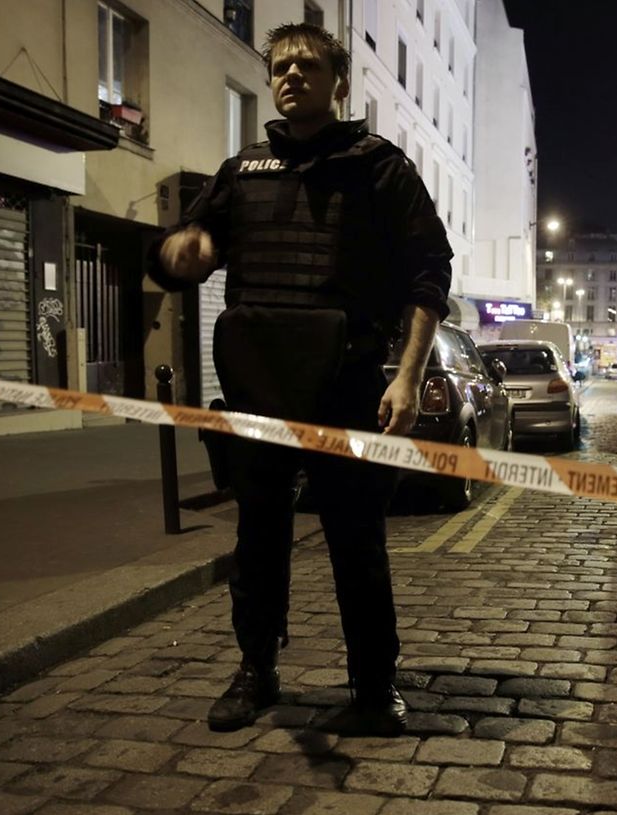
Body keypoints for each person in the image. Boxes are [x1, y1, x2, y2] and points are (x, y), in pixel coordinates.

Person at [147, 22, 451, 736]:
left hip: (345, 384)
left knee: (356, 541)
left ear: (338, 83)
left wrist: (407, 378)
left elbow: (428, 274)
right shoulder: (240, 172)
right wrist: (178, 252)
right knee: (258, 539)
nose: (290, 76)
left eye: (307, 65)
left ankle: (374, 686)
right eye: (281, 66)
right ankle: (256, 671)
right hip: (258, 388)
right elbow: (179, 251)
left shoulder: (379, 167)